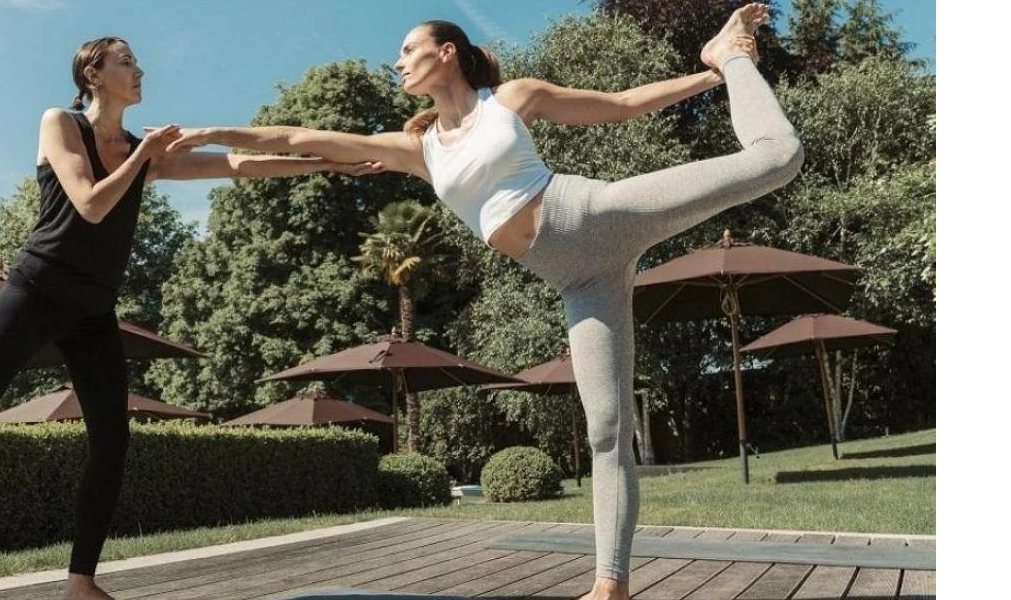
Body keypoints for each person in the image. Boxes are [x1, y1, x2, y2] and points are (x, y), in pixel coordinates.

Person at [162, 5, 799, 599]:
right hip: (578, 280)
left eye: (408, 49)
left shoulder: (512, 99)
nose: (398, 61)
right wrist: (218, 134)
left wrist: (714, 69)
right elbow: (303, 138)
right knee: (607, 432)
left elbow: (624, 105)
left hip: (595, 215)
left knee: (778, 158)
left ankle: (737, 56)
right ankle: (611, 585)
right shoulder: (417, 150)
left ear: (447, 53)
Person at [0, 36, 381, 600]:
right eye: (126, 62)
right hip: (35, 290)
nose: (140, 71)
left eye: (136, 62)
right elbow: (88, 202)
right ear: (93, 72)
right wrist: (144, 156)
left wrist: (331, 165)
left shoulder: (142, 148)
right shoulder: (60, 124)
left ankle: (80, 582)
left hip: (92, 310)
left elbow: (236, 163)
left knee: (112, 441)